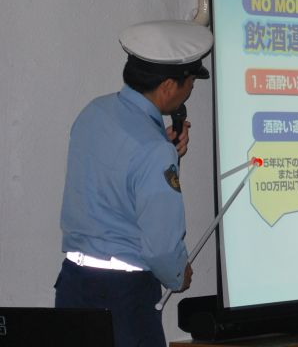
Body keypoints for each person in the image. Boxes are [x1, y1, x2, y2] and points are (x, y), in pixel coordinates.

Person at [55, 20, 213, 347]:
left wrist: (164, 150)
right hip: (123, 301)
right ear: (168, 86)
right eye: (189, 84)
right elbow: (161, 247)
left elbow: (112, 178)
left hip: (73, 287)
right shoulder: (154, 151)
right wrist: (178, 274)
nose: (189, 91)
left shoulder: (93, 112)